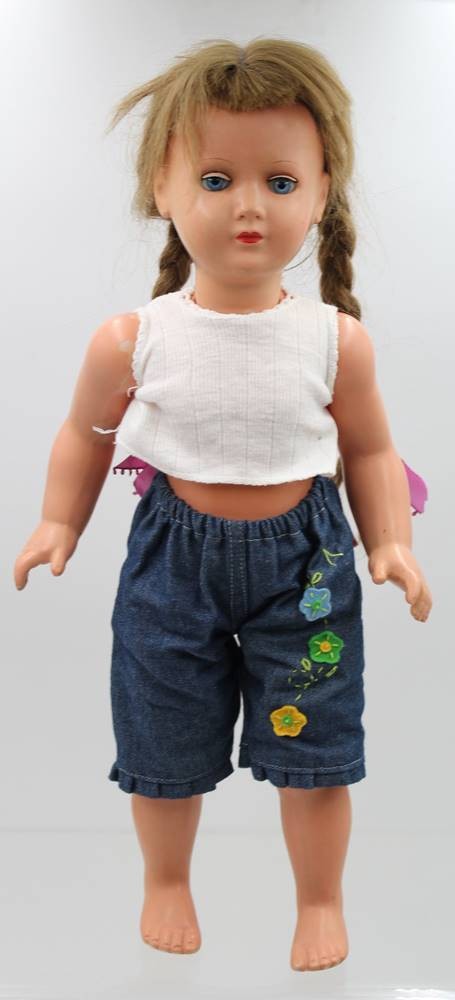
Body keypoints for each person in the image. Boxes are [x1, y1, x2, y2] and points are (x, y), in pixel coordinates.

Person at [13, 37, 432, 972]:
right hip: (173, 562)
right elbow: (84, 434)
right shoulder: (133, 338)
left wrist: (389, 542)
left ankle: (319, 898)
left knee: (315, 742)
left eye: (279, 182)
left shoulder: (335, 340)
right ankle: (165, 881)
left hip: (308, 566)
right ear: (160, 190)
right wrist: (58, 521)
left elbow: (369, 450)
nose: (249, 205)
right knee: (160, 731)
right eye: (215, 178)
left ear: (320, 195)